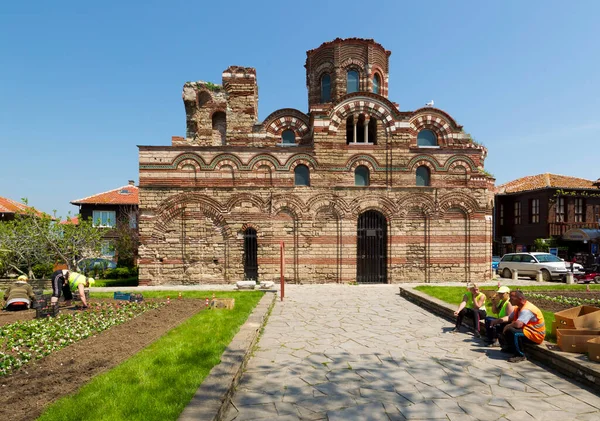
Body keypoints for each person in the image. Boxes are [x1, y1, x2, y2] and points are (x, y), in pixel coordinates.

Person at [501, 290, 545, 363]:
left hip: (536, 335)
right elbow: (510, 317)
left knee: (513, 332)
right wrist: (498, 321)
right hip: (528, 331)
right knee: (504, 325)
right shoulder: (518, 308)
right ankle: (510, 348)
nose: (509, 300)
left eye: (511, 298)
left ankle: (520, 355)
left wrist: (508, 326)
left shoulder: (527, 309)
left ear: (520, 299)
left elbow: (518, 324)